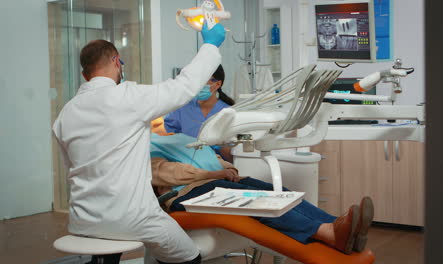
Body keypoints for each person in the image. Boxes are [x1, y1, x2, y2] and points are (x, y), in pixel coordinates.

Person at [52, 22, 226, 264]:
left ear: (85, 74)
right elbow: (183, 87)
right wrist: (209, 45)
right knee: (188, 256)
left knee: (107, 246)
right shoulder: (128, 97)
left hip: (84, 218)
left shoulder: (66, 113)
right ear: (116, 61)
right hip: (134, 218)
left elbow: (73, 166)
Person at [150, 133, 374, 255]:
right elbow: (164, 173)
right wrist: (212, 172)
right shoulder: (144, 147)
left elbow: (211, 155)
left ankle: (343, 228)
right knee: (262, 203)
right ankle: (328, 233)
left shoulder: (176, 136)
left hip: (217, 178)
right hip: (188, 193)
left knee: (280, 194)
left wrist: (229, 170)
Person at [164, 65, 235, 162]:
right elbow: (168, 141)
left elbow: (233, 157)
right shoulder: (182, 108)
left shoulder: (227, 113)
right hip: (186, 165)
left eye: (203, 80)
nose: (198, 84)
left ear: (217, 84)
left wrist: (218, 145)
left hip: (218, 167)